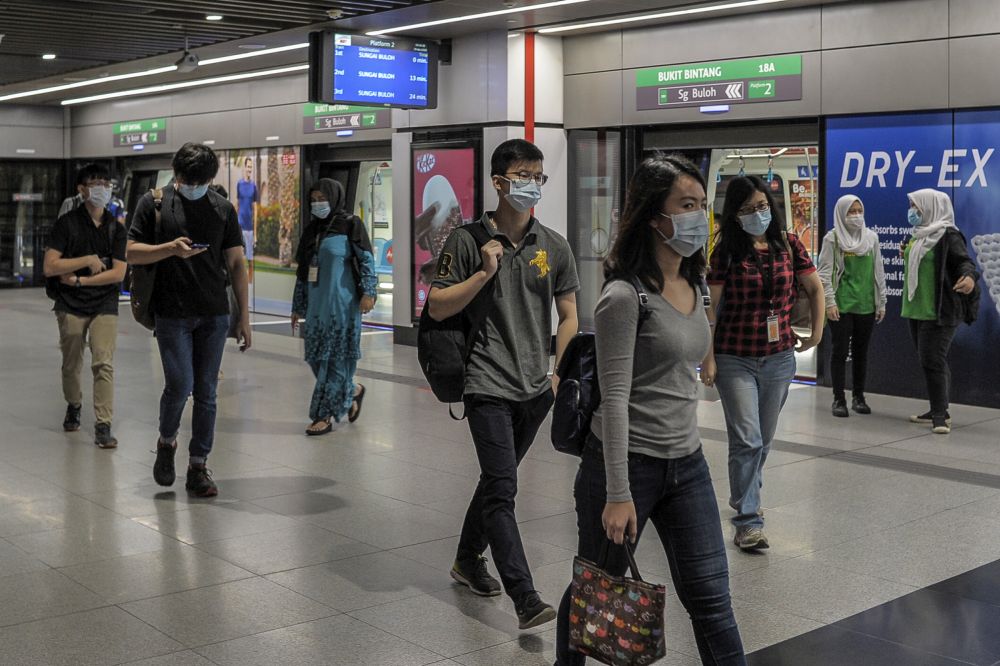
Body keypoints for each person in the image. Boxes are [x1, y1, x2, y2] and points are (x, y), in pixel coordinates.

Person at [555, 154, 745, 665]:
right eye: (686, 205)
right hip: (625, 464)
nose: (698, 218)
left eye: (703, 206)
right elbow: (614, 399)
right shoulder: (623, 296)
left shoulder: (696, 283)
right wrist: (618, 493)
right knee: (594, 589)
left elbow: (691, 357)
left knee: (712, 600)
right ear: (651, 216)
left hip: (687, 462)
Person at [427, 139, 579, 630]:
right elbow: (437, 306)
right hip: (485, 381)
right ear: (499, 182)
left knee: (497, 481)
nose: (532, 184)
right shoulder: (467, 240)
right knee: (503, 489)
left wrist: (557, 373)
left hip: (536, 388)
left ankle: (467, 558)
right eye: (523, 175)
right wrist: (483, 274)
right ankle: (525, 594)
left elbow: (570, 314)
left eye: (538, 176)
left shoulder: (553, 245)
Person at [702, 176, 824, 551]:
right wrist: (707, 359)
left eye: (762, 206)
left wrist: (817, 333)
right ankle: (748, 522)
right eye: (748, 209)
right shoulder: (725, 252)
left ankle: (743, 497)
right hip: (734, 356)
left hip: (779, 357)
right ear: (733, 215)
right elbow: (712, 310)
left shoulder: (788, 244)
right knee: (747, 439)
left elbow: (815, 287)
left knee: (762, 441)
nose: (758, 214)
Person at [126, 142, 251, 498]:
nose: (193, 186)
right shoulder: (154, 203)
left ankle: (198, 465)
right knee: (180, 385)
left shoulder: (222, 208)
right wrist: (169, 249)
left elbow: (237, 264)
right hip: (171, 312)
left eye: (201, 181)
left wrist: (244, 317)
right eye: (187, 179)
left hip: (213, 313)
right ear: (177, 174)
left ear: (210, 179)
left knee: (207, 392)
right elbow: (131, 250)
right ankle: (167, 443)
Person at [43, 163, 127, 449]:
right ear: (82, 189)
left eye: (106, 182)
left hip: (104, 301)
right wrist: (87, 260)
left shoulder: (116, 228)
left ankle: (103, 424)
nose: (102, 188)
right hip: (70, 305)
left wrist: (80, 281)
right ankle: (74, 404)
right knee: (72, 362)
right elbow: (50, 266)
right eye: (95, 183)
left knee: (103, 361)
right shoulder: (67, 224)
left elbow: (118, 273)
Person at [290, 179, 377, 435]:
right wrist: (298, 306)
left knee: (335, 363)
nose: (318, 203)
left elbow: (367, 259)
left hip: (343, 307)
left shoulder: (350, 224)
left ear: (334, 197)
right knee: (316, 360)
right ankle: (353, 391)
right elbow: (303, 272)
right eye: (313, 199)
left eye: (322, 198)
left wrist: (369, 292)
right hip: (317, 309)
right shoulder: (311, 231)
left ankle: (323, 415)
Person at [901, 188, 979, 435]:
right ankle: (940, 408)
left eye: (917, 207)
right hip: (916, 308)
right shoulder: (919, 236)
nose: (913, 211)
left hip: (941, 309)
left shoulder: (948, 235)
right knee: (931, 360)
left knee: (933, 360)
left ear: (931, 207)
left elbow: (965, 262)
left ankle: (939, 417)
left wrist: (968, 277)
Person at [817, 195, 887, 417]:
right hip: (842, 305)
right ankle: (839, 399)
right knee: (839, 351)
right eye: (851, 211)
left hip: (866, 305)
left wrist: (881, 301)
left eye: (859, 210)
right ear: (841, 213)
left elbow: (879, 271)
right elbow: (824, 274)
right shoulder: (833, 239)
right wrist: (829, 302)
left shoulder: (871, 238)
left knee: (861, 352)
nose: (856, 216)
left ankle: (859, 396)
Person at [236, 156, 259, 278]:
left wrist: (255, 233)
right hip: (240, 225)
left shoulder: (254, 186)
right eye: (248, 166)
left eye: (251, 167)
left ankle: (250, 283)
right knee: (240, 257)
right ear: (244, 167)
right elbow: (238, 204)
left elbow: (255, 209)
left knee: (250, 258)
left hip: (250, 228)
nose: (249, 169)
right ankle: (242, 280)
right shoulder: (239, 184)